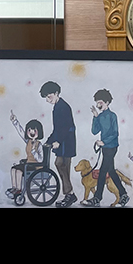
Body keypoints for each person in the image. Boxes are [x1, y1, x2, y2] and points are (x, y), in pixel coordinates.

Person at [84, 89, 128, 208]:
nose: (98, 105)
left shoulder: (112, 116)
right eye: (97, 103)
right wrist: (95, 117)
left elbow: (115, 133)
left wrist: (104, 141)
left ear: (107, 102)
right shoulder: (100, 116)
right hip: (104, 148)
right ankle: (124, 194)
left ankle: (97, 198)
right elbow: (94, 131)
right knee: (111, 171)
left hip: (112, 147)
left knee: (103, 171)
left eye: (100, 103)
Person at [41, 80, 77, 208]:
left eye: (49, 96)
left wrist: (58, 141)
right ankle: (69, 194)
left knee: (62, 165)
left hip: (67, 142)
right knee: (60, 165)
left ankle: (69, 194)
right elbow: (56, 129)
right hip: (62, 142)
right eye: (46, 98)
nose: (48, 100)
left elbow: (65, 128)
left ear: (56, 93)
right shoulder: (57, 107)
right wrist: (49, 141)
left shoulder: (63, 107)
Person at [8, 112, 44, 202]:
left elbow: (40, 159)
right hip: (28, 164)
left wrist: (34, 152)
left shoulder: (39, 145)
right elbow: (21, 132)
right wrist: (15, 121)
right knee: (13, 169)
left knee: (19, 171)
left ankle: (19, 190)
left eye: (34, 131)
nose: (32, 133)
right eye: (30, 130)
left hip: (35, 166)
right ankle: (14, 188)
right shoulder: (28, 141)